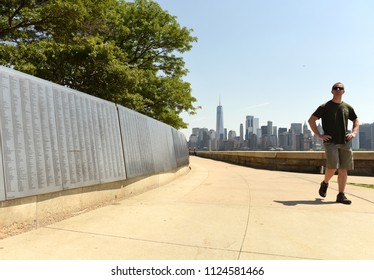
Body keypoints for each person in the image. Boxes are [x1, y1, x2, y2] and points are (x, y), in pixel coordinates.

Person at [308, 82, 359, 205]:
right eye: (335, 88)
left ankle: (341, 195)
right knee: (332, 167)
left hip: (345, 141)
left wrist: (353, 133)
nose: (337, 90)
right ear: (332, 91)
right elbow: (311, 120)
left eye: (340, 88)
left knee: (343, 169)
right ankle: (325, 182)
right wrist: (319, 135)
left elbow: (356, 120)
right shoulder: (325, 106)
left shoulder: (347, 107)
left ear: (343, 91)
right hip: (330, 142)